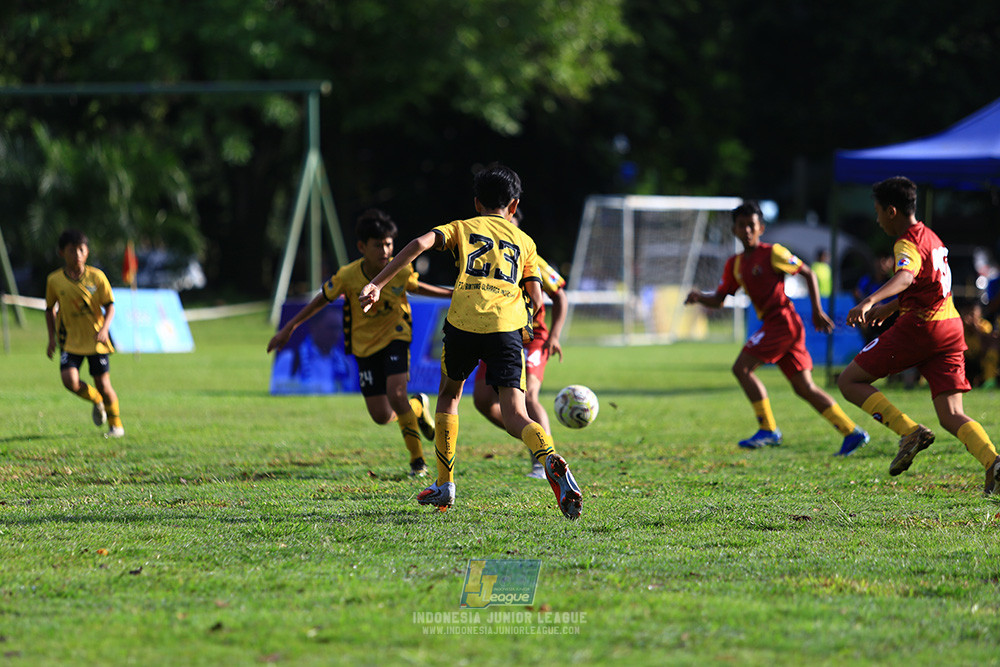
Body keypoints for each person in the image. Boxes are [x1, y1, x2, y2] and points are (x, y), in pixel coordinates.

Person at [359, 164, 583, 519]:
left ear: (477, 203)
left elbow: (419, 244)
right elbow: (538, 298)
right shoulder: (525, 242)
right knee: (516, 412)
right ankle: (548, 456)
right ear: (514, 205)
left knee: (449, 397)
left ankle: (445, 484)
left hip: (463, 323)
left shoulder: (462, 227)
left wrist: (377, 283)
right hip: (506, 329)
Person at [837, 176, 1000, 493]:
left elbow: (906, 277)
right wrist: (891, 307)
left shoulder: (906, 242)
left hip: (922, 328)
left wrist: (870, 300)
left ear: (892, 211)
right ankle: (992, 461)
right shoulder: (931, 237)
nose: (877, 220)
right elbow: (927, 284)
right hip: (950, 328)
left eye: (878, 212)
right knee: (952, 414)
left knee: (849, 381)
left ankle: (908, 431)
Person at [267, 208, 451, 477]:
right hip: (364, 347)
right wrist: (289, 327)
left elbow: (416, 287)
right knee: (381, 415)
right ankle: (418, 406)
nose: (385, 251)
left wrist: (450, 294)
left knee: (396, 395)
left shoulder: (400, 269)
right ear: (362, 247)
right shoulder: (348, 276)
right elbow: (321, 299)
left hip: (396, 336)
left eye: (388, 244)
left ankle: (417, 461)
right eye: (378, 245)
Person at [685, 200, 869, 455]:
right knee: (804, 388)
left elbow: (808, 273)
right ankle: (851, 431)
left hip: (782, 322)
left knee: (741, 368)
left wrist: (817, 311)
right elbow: (719, 299)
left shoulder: (773, 253)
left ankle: (768, 429)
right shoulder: (735, 264)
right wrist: (699, 297)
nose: (747, 230)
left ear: (761, 228)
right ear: (734, 230)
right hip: (777, 325)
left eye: (751, 225)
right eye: (741, 225)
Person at [472, 208, 567, 479]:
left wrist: (554, 336)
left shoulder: (530, 257)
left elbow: (560, 296)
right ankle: (533, 439)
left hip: (532, 338)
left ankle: (546, 460)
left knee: (528, 396)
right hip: (499, 333)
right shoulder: (489, 259)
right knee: (482, 400)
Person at [45, 229, 125, 437]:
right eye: (72, 250)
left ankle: (116, 426)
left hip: (96, 340)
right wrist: (51, 338)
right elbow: (49, 309)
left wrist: (105, 329)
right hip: (70, 341)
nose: (77, 255)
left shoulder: (97, 277)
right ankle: (96, 399)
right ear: (62, 253)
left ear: (87, 251)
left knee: (103, 384)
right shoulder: (54, 280)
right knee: (69, 381)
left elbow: (110, 306)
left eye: (81, 250)